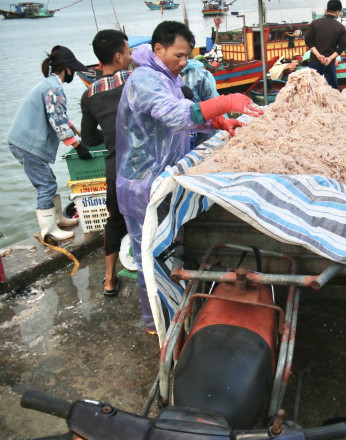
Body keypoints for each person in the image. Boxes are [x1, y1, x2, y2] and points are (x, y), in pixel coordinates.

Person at [115, 21, 263, 332]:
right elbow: (173, 114)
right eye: (179, 55)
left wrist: (220, 123)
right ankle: (156, 323)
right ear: (158, 49)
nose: (184, 62)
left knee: (170, 250)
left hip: (165, 175)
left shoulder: (168, 77)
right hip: (141, 182)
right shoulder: (144, 79)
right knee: (150, 258)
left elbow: (186, 115)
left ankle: (178, 311)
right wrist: (226, 102)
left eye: (187, 56)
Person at [7, 46, 90, 242]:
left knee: (49, 180)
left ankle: (58, 218)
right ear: (67, 69)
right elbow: (57, 121)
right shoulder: (54, 88)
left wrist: (73, 127)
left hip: (22, 142)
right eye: (74, 70)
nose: (74, 74)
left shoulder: (49, 84)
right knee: (45, 184)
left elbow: (56, 115)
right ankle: (48, 231)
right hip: (27, 145)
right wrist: (78, 146)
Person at [80, 30, 132, 296]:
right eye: (128, 50)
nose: (131, 55)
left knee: (114, 222)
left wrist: (113, 138)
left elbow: (89, 139)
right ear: (118, 56)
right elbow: (184, 95)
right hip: (149, 167)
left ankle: (110, 280)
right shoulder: (138, 80)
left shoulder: (89, 95)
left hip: (115, 171)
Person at [304, 0, 346, 89]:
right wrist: (330, 58)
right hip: (329, 64)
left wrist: (318, 55)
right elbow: (342, 46)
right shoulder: (340, 27)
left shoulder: (315, 23)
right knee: (332, 93)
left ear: (326, 10)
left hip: (314, 62)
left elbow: (308, 40)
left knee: (312, 91)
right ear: (337, 12)